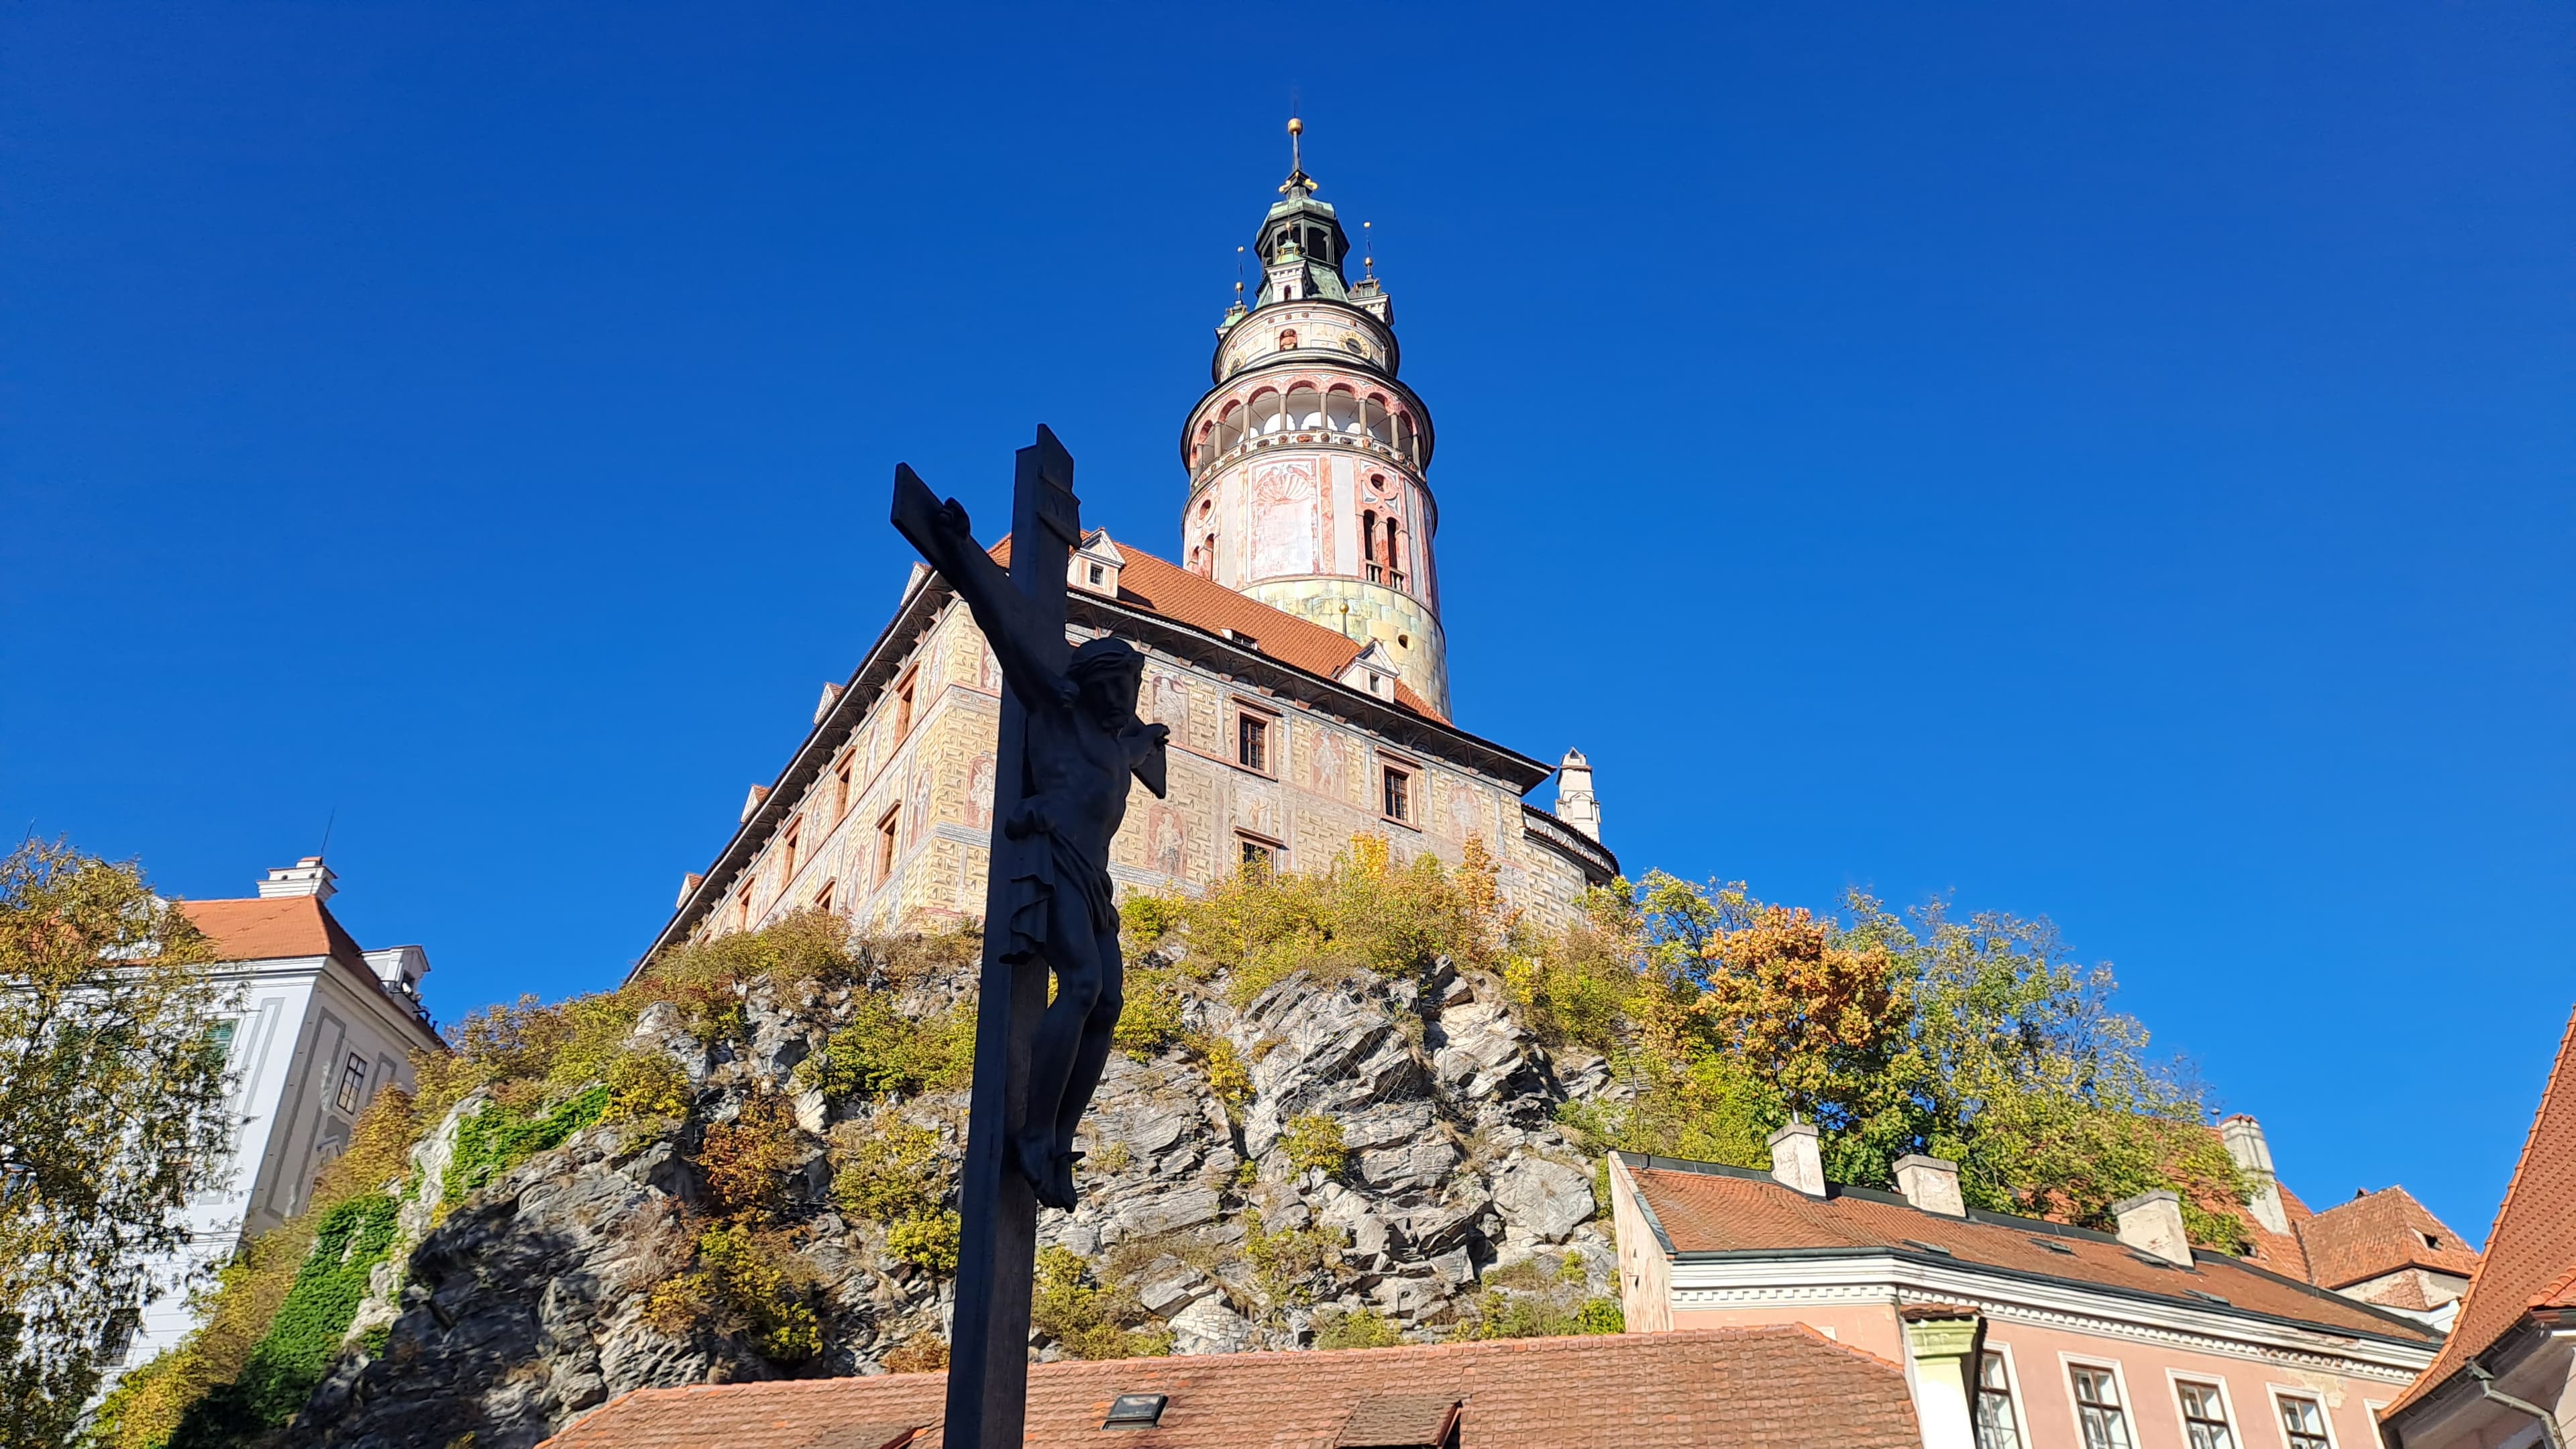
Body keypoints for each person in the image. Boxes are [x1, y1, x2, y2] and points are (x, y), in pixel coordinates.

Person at [896, 485, 1167, 1210]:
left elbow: (1153, 761)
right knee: (1078, 984)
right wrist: (956, 549)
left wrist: (1149, 740)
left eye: (1132, 686)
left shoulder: (1124, 744)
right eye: (1114, 683)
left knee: (1107, 1002)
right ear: (1088, 682)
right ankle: (1032, 1131)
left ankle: (1058, 1134)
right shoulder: (1057, 708)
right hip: (1048, 862)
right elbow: (1002, 617)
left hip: (1096, 881)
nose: (1124, 696)